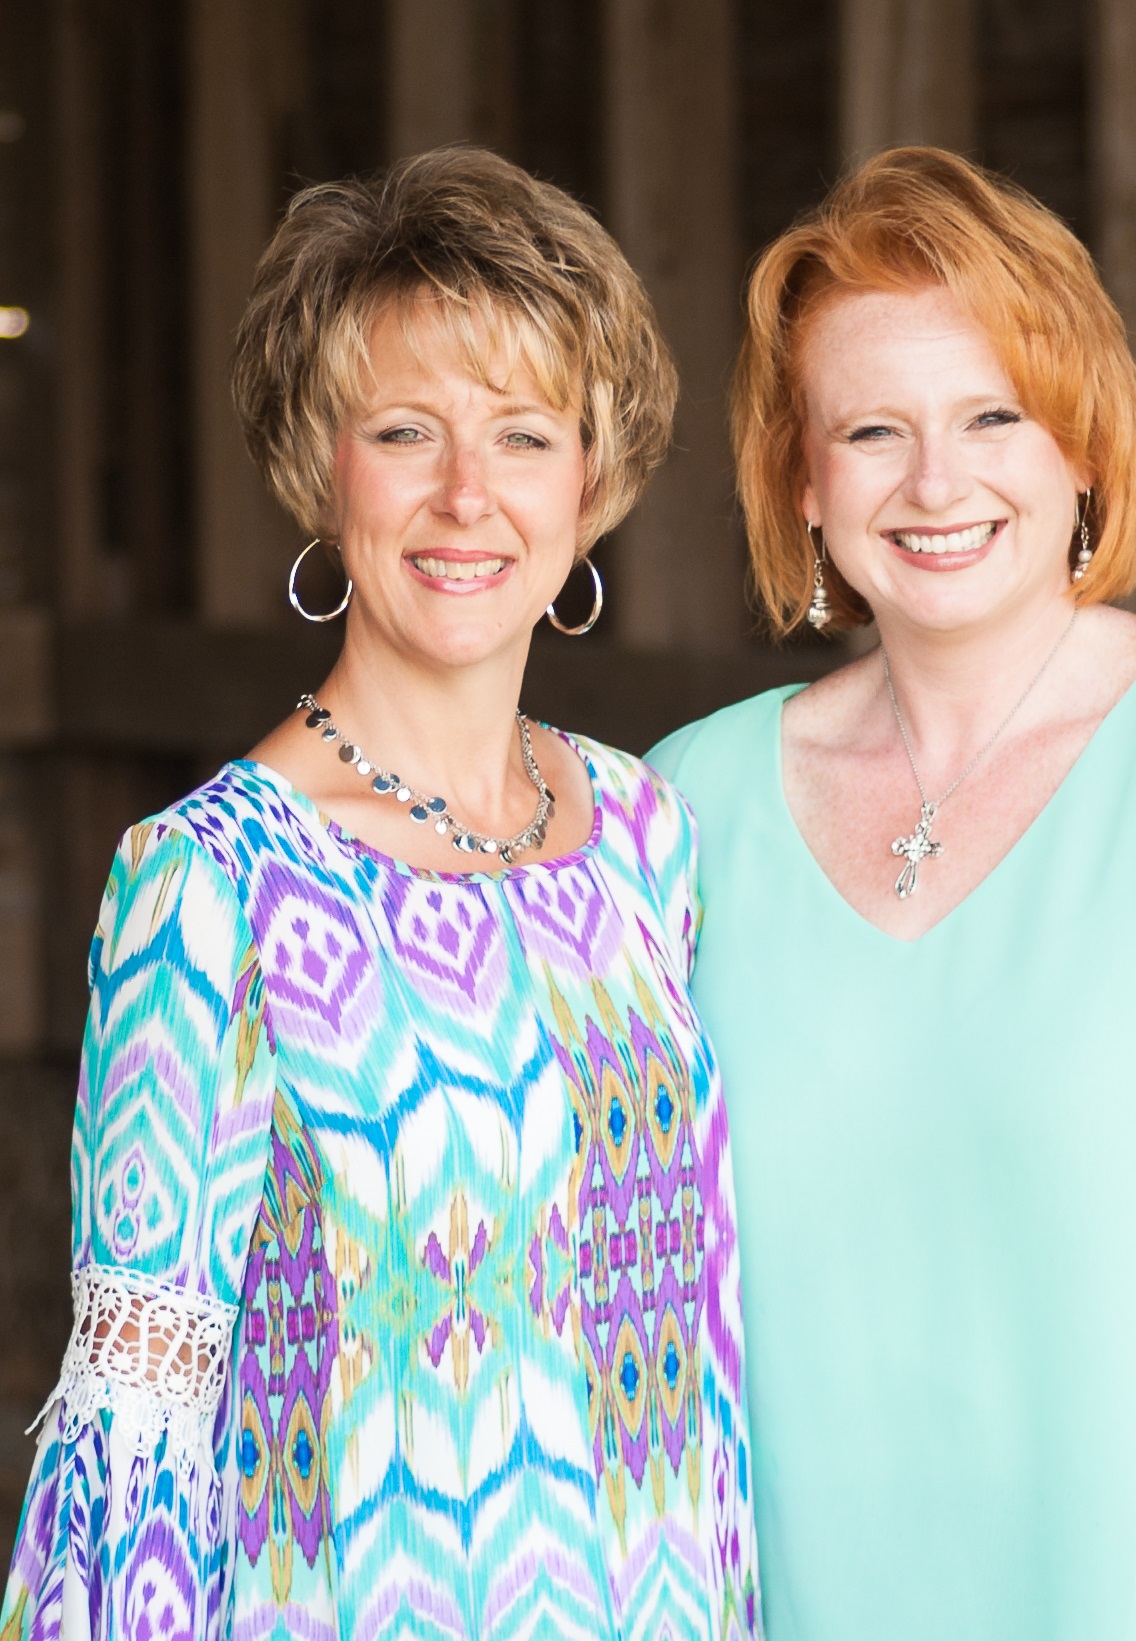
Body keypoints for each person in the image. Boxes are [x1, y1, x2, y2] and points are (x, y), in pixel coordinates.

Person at [1, 148, 759, 1641]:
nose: (467, 496)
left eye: (524, 436)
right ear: (322, 467)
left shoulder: (645, 833)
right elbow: (136, 1430)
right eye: (406, 432)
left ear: (590, 481)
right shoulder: (208, 883)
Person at [649, 146, 1136, 1640]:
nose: (935, 483)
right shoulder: (685, 806)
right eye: (871, 430)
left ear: (1081, 443)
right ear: (802, 481)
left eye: (992, 415)